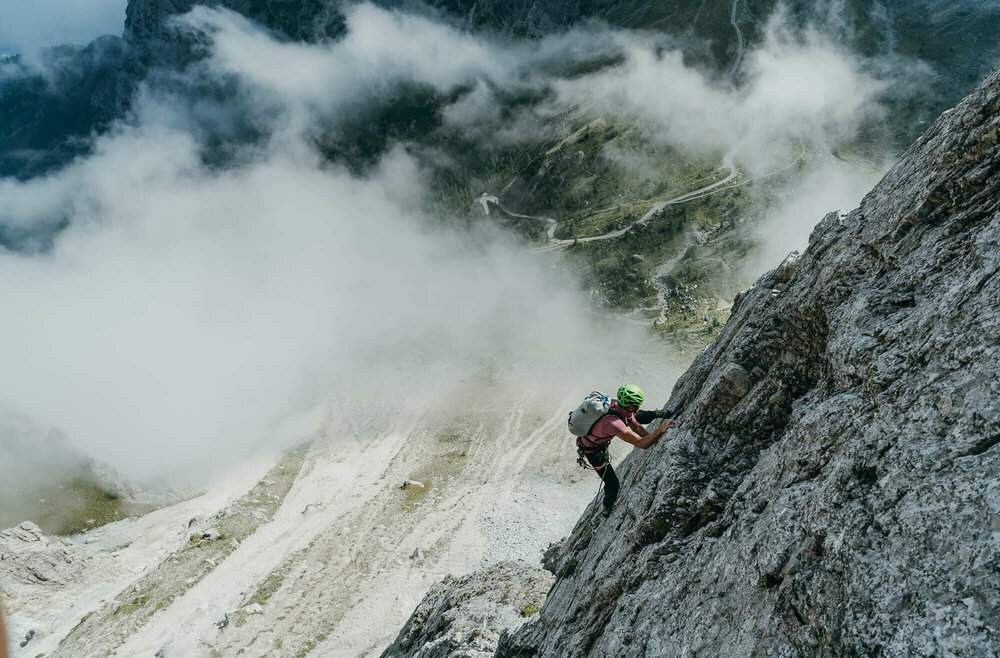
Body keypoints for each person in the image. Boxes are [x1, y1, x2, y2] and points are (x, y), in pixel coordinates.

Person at [576, 384, 674, 516]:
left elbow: (637, 428)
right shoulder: (613, 423)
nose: (638, 407)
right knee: (612, 483)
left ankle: (658, 414)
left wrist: (654, 438)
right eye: (637, 405)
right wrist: (660, 431)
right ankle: (607, 507)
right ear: (631, 406)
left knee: (639, 416)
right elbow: (641, 444)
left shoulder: (618, 406)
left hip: (603, 434)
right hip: (593, 451)